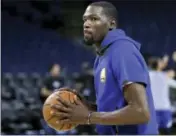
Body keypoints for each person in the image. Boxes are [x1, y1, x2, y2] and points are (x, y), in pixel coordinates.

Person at [51, 1, 158, 135]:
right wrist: (86, 108)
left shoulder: (122, 51)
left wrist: (89, 116)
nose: (86, 24)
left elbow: (140, 112)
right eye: (85, 19)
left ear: (111, 24)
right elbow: (115, 107)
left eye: (94, 19)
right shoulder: (102, 57)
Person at [149, 57, 176, 134]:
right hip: (164, 108)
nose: (163, 64)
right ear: (158, 65)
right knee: (166, 131)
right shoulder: (165, 76)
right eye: (161, 62)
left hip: (154, 108)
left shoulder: (148, 76)